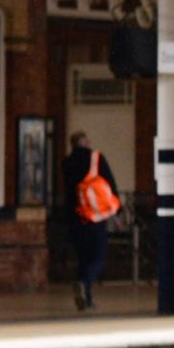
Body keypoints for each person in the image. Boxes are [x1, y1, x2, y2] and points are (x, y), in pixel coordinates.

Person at [61, 131, 122, 311]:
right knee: (98, 256)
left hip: (75, 217)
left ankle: (86, 297)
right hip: (95, 216)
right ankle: (83, 283)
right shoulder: (96, 158)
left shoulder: (67, 163)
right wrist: (117, 212)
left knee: (83, 257)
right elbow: (110, 184)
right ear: (85, 142)